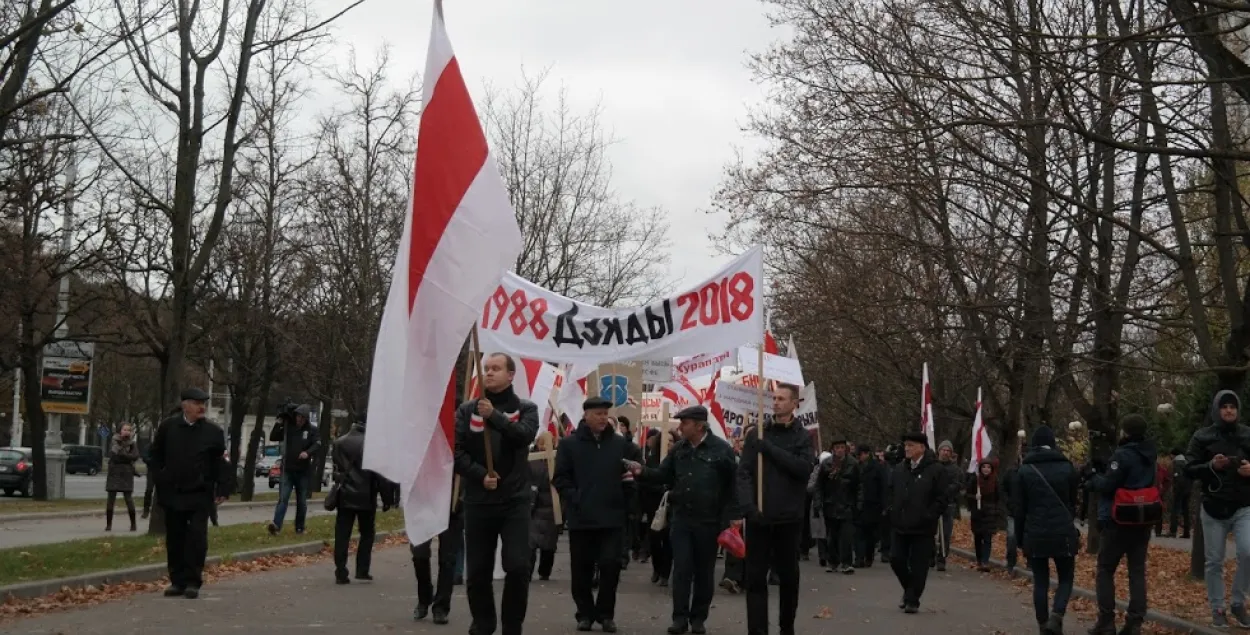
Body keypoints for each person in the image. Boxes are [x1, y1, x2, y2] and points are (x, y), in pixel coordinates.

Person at [627, 405, 740, 635]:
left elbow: (733, 486)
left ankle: (698, 618)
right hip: (681, 519)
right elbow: (662, 474)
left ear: (699, 425)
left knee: (704, 571)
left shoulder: (721, 450)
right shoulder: (679, 449)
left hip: (709, 520)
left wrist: (733, 516)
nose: (680, 427)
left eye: (685, 423)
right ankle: (679, 618)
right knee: (682, 568)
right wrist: (642, 472)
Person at [453, 353, 539, 635]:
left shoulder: (526, 408)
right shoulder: (467, 411)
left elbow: (523, 437)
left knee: (516, 566)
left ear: (511, 375)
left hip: (515, 501)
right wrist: (479, 474)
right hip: (479, 501)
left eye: (496, 368)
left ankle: (512, 626)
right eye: (486, 369)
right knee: (477, 571)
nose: (489, 373)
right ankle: (483, 623)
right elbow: (455, 451)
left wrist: (495, 416)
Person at [736, 383, 816, 635]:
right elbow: (744, 473)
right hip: (759, 517)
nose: (776, 402)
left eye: (782, 398)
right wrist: (748, 506)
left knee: (788, 578)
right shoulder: (758, 434)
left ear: (795, 404)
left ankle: (786, 627)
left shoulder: (802, 437)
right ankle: (757, 630)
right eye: (774, 398)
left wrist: (769, 450)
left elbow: (803, 469)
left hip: (788, 518)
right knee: (755, 579)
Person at [552, 396, 632, 632]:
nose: (602, 418)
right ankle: (584, 613)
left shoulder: (619, 444)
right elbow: (560, 479)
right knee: (582, 569)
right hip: (582, 518)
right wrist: (577, 498)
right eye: (598, 414)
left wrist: (627, 502)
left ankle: (606, 614)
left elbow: (628, 476)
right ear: (586, 416)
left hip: (612, 518)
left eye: (605, 414)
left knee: (610, 566)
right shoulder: (570, 444)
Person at [147, 388, 231, 599]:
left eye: (203, 402)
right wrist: (160, 477)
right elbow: (154, 455)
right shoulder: (168, 427)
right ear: (185, 405)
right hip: (173, 492)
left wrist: (223, 488)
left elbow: (221, 461)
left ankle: (193, 581)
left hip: (200, 493)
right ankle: (177, 581)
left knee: (196, 537)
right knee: (175, 538)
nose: (201, 406)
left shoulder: (213, 432)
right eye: (196, 402)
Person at [1184, 390, 1250, 629]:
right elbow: (1189, 468)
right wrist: (1211, 465)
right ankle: (1218, 608)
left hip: (1244, 506)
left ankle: (1238, 602)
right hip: (1213, 507)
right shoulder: (1203, 436)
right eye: (1224, 407)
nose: (1229, 410)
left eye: (1233, 406)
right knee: (1214, 561)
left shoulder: (1247, 434)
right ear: (1217, 410)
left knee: (1248, 552)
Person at [1087, 414, 1158, 635]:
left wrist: (1092, 478)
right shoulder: (1150, 454)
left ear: (1125, 432)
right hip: (1143, 518)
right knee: (1136, 571)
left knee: (1105, 569)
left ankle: (1106, 621)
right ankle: (1135, 622)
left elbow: (1109, 485)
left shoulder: (1123, 455)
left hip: (1118, 519)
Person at [1013, 425, 1080, 635]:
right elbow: (1073, 501)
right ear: (1053, 444)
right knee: (1066, 578)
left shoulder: (1024, 470)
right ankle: (1057, 615)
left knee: (1040, 580)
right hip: (1063, 531)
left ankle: (1043, 624)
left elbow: (1019, 508)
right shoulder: (1067, 467)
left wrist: (1020, 537)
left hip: (1035, 532)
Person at [887, 432, 951, 614]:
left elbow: (942, 497)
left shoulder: (935, 469)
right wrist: (891, 509)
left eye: (911, 445)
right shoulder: (900, 468)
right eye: (906, 445)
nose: (907, 448)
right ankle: (909, 590)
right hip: (900, 524)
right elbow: (891, 491)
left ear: (922, 447)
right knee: (896, 559)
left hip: (923, 527)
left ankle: (912, 600)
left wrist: (929, 514)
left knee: (919, 566)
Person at [329, 417, 398, 584]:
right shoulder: (372, 445)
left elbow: (337, 469)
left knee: (342, 533)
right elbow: (379, 475)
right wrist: (387, 498)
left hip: (345, 495)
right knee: (367, 533)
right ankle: (362, 569)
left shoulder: (339, 443)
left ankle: (340, 570)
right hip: (367, 496)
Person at [413, 479, 464, 624]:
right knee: (419, 554)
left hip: (452, 504)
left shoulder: (456, 455)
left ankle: (441, 607)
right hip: (423, 504)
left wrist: (462, 495)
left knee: (448, 558)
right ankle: (424, 598)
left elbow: (466, 462)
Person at [267, 404, 321, 535]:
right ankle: (276, 525)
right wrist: (279, 422)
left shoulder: (312, 430)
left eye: (302, 418)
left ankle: (300, 527)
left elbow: (317, 444)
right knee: (283, 498)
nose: (299, 420)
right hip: (288, 469)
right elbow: (273, 437)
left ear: (306, 418)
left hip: (303, 471)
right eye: (298, 417)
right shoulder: (288, 428)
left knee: (301, 501)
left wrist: (307, 453)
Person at [813, 439, 858, 573]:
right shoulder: (826, 464)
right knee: (832, 536)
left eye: (842, 447)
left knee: (846, 536)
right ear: (833, 449)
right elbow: (819, 485)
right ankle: (832, 561)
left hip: (847, 504)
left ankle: (846, 562)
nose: (839, 450)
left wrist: (858, 504)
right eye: (837, 447)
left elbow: (859, 485)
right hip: (830, 504)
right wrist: (818, 502)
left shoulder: (852, 464)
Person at [528, 432, 559, 582]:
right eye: (542, 443)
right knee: (530, 543)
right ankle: (528, 570)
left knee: (548, 544)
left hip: (551, 506)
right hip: (535, 505)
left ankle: (544, 571)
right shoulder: (531, 460)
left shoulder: (556, 460)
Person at [966, 459, 1002, 571]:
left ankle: (985, 562)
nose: (986, 469)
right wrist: (974, 498)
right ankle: (979, 560)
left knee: (987, 538)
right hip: (977, 513)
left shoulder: (995, 480)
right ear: (980, 468)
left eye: (988, 467)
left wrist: (996, 510)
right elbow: (966, 494)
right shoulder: (975, 480)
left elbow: (998, 497)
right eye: (984, 467)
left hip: (990, 513)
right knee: (978, 537)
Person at [854, 444, 887, 567]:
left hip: (872, 504)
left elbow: (883, 487)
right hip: (859, 504)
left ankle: (868, 556)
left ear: (867, 454)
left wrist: (884, 505)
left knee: (870, 534)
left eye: (861, 454)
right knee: (859, 532)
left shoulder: (877, 467)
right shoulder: (857, 467)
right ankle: (859, 558)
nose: (860, 457)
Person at [105, 422, 141, 531]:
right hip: (114, 472)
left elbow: (135, 456)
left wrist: (124, 455)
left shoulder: (132, 444)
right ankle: (108, 525)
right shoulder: (114, 441)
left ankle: (133, 524)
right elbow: (113, 456)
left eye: (129, 430)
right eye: (125, 429)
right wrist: (126, 456)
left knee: (128, 499)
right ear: (120, 430)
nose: (127, 432)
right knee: (111, 499)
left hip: (127, 473)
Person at [933, 440, 962, 571]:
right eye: (943, 450)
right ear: (938, 451)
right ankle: (929, 556)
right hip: (932, 504)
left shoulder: (955, 469)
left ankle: (942, 558)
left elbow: (957, 484)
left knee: (945, 533)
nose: (945, 452)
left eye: (947, 450)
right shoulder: (932, 466)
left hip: (948, 504)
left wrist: (945, 491)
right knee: (930, 532)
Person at [1169, 448, 1191, 539]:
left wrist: (1175, 489)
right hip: (1188, 489)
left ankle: (1173, 531)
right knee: (1186, 511)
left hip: (1180, 490)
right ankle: (1187, 532)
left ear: (1173, 455)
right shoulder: (1186, 462)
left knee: (1175, 510)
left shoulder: (1177, 463)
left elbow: (1178, 478)